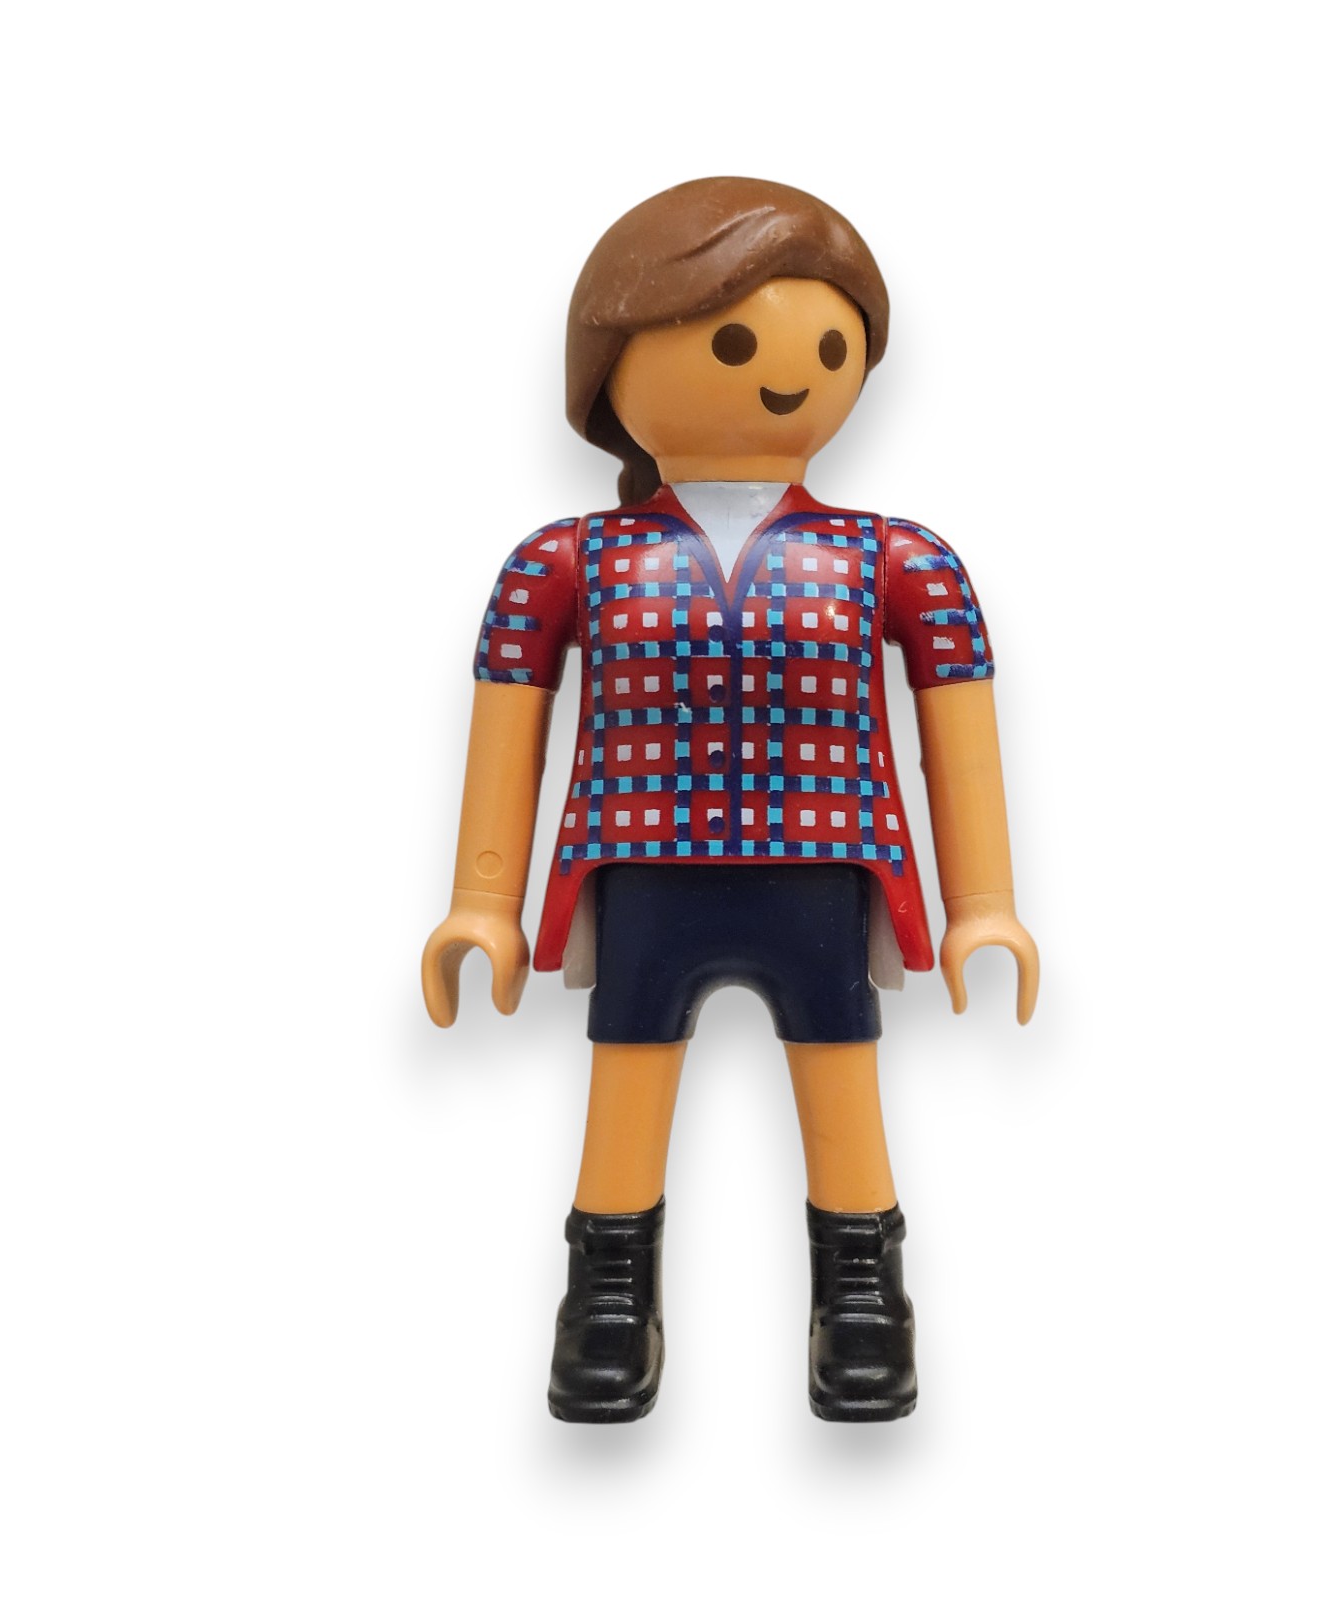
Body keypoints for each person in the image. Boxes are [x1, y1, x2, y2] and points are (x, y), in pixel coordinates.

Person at [421, 176, 1039, 1423]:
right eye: (737, 343)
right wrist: (480, 904)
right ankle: (608, 1295)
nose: (789, 373)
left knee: (842, 1079)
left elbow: (958, 720)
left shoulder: (897, 559)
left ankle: (860, 1295)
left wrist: (985, 904)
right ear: (612, 363)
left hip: (823, 862)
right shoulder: (567, 562)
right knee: (626, 1078)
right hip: (643, 865)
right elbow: (508, 722)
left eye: (829, 346)